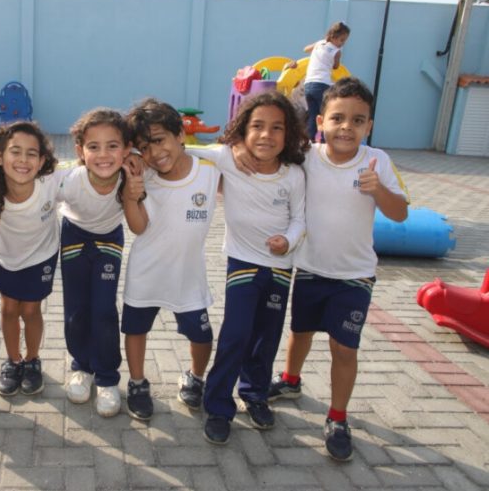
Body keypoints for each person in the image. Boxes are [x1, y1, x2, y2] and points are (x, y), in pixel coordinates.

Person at [266, 77, 409, 461]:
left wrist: (378, 189)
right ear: (321, 123)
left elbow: (400, 214)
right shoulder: (307, 157)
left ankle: (338, 416)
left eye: (358, 120)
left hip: (355, 275)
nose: (347, 127)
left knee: (344, 348)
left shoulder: (377, 162)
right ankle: (291, 380)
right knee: (300, 331)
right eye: (338, 118)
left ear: (369, 126)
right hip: (310, 268)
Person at [189, 91, 308, 445]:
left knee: (266, 335)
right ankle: (218, 405)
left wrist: (288, 240)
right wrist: (232, 145)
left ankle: (255, 393)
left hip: (281, 267)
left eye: (276, 128)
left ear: (288, 135)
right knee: (236, 334)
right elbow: (186, 149)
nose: (266, 135)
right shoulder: (229, 157)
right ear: (243, 129)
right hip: (242, 264)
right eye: (256, 126)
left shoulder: (294, 175)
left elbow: (301, 219)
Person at [121, 98, 221, 421]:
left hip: (188, 275)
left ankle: (195, 377)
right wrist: (130, 195)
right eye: (144, 147)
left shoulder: (209, 169)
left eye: (159, 140)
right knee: (135, 330)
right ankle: (137, 383)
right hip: (146, 270)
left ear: (180, 134)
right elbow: (138, 227)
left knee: (202, 336)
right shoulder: (144, 176)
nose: (154, 153)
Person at [58, 108, 132, 418]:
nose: (103, 154)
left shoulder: (131, 175)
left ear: (126, 150)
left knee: (103, 309)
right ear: (80, 151)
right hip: (73, 237)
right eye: (93, 146)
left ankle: (107, 377)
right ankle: (81, 367)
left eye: (113, 145)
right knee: (77, 309)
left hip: (108, 242)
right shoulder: (70, 179)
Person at [0, 121, 59, 397]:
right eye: (15, 151)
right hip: (6, 257)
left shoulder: (51, 182)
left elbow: (87, 175)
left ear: (41, 161)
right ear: (0, 157)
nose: (23, 160)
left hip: (41, 255)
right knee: (8, 310)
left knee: (30, 310)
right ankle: (13, 361)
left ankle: (32, 359)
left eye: (31, 153)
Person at [304, 21, 350, 142]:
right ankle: (325, 140)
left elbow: (306, 49)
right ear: (333, 37)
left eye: (344, 41)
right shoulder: (336, 51)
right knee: (326, 114)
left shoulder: (319, 43)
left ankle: (310, 141)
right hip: (322, 84)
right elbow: (335, 66)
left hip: (308, 85)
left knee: (313, 115)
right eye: (341, 40)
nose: (342, 43)